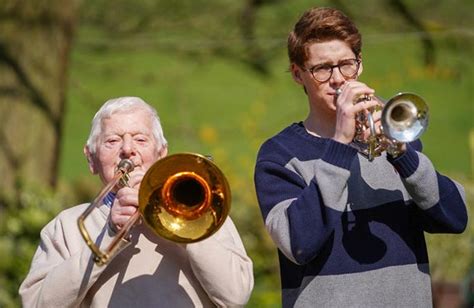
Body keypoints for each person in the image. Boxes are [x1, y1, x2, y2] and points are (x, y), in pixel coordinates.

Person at [253, 7, 467, 308]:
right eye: (322, 69)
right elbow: (298, 243)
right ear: (298, 74)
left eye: (346, 64)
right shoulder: (280, 155)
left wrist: (401, 154)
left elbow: (454, 217)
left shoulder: (395, 140)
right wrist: (341, 144)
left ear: (360, 64)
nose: (338, 79)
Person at [20, 96, 254, 307]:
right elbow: (36, 304)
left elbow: (235, 297)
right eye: (112, 141)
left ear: (162, 154)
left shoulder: (204, 210)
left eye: (141, 139)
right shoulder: (67, 226)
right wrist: (109, 236)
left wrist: (186, 223)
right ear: (91, 159)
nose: (128, 150)